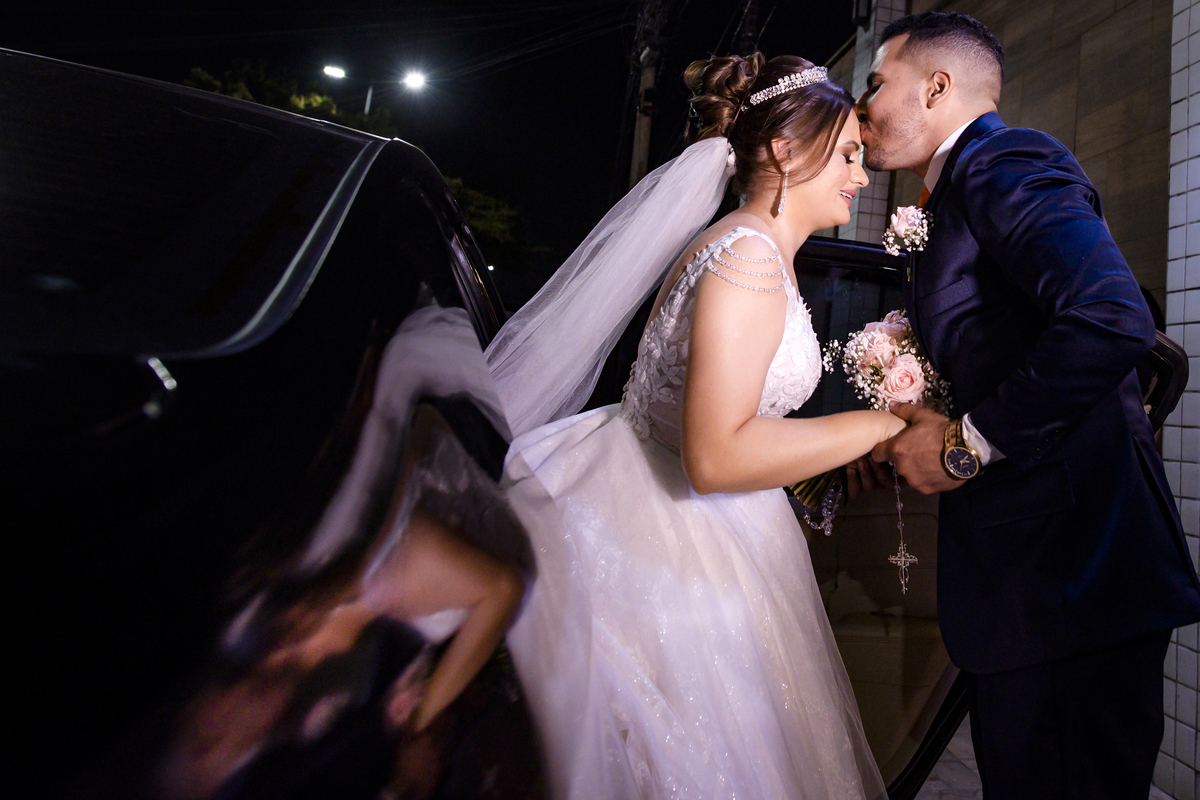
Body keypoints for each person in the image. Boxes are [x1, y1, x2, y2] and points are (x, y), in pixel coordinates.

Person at [486, 53, 902, 799]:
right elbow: (717, 453)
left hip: (645, 492)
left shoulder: (736, 244)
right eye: (847, 153)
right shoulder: (749, 260)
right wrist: (877, 427)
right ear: (781, 150)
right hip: (676, 547)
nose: (861, 175)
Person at [856, 12, 1200, 799]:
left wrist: (963, 445)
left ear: (937, 87)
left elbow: (1112, 314)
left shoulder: (1007, 160)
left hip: (1073, 585)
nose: (863, 105)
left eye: (876, 82)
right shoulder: (958, 189)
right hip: (1037, 591)